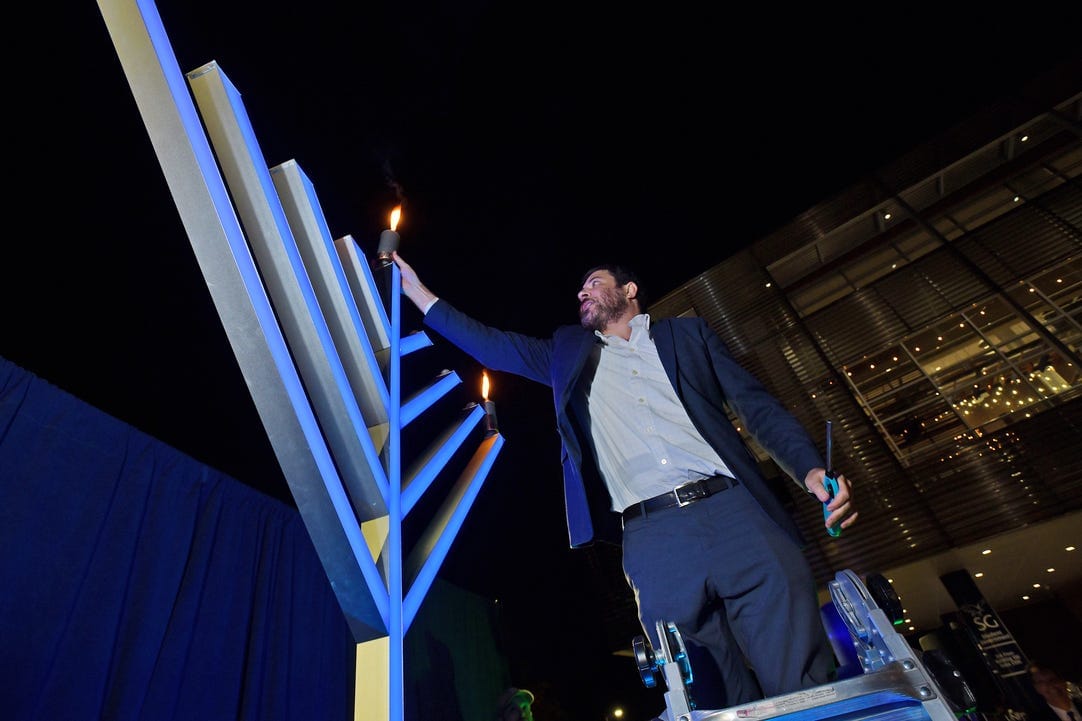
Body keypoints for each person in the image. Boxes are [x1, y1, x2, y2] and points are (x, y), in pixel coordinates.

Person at [392, 252, 857, 708]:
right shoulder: (566, 354)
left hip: (737, 513)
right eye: (581, 288)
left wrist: (810, 470)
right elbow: (492, 344)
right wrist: (417, 291)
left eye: (594, 282)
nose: (582, 291)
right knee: (701, 692)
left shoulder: (687, 335)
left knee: (801, 686)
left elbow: (757, 407)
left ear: (629, 291)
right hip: (654, 536)